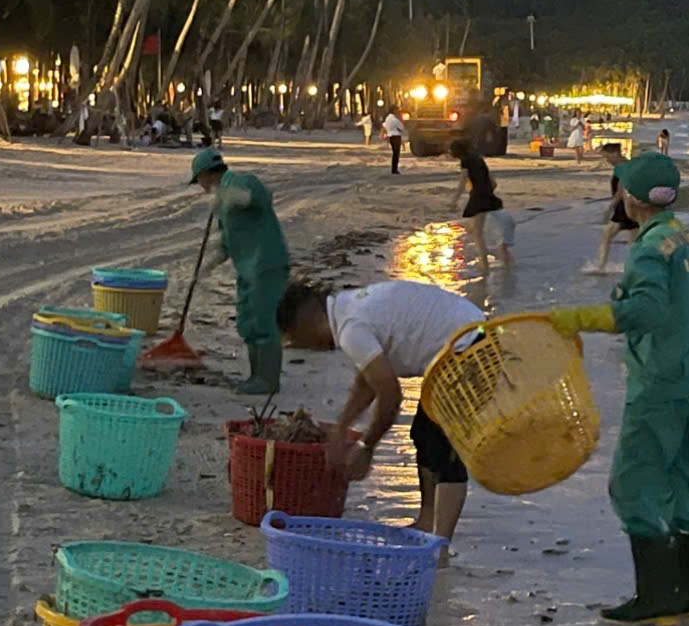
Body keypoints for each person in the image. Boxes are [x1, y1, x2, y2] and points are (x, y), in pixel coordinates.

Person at [549, 152, 689, 626]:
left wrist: (578, 319)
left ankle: (658, 597)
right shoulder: (688, 241)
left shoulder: (649, 249)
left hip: (662, 385)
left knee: (632, 483)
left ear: (633, 198)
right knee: (683, 481)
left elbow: (645, 312)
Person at [276, 280, 483, 554]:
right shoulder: (348, 307)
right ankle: (427, 522)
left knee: (444, 446)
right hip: (471, 334)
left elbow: (390, 394)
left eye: (298, 340)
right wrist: (342, 427)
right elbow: (368, 380)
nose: (307, 347)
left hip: (471, 347)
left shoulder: (351, 329)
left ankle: (439, 547)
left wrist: (366, 447)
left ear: (305, 325)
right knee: (423, 433)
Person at [190, 146, 290, 395]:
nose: (200, 187)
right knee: (247, 320)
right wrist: (205, 268)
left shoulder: (241, 182)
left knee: (263, 320)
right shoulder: (221, 202)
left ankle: (268, 380)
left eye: (199, 180)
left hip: (266, 263)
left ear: (206, 174)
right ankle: (255, 375)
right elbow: (227, 242)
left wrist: (230, 195)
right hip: (246, 268)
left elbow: (259, 197)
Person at [450, 137, 505, 273]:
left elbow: (462, 182)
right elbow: (493, 182)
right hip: (486, 195)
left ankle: (484, 265)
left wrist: (454, 200)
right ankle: (498, 257)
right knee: (474, 228)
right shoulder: (478, 158)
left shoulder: (466, 161)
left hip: (478, 197)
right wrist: (487, 192)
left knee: (477, 233)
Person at [595, 142, 638, 272]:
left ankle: (601, 267)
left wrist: (610, 207)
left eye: (607, 157)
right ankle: (635, 268)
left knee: (606, 235)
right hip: (632, 207)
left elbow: (621, 189)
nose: (607, 160)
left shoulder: (621, 167)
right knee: (633, 242)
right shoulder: (628, 164)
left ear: (615, 153)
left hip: (624, 207)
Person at [382, 105, 406, 174]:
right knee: (396, 154)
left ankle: (394, 168)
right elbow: (401, 128)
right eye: (397, 110)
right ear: (394, 110)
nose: (398, 111)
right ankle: (395, 169)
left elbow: (385, 126)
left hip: (390, 136)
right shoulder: (395, 120)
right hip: (396, 136)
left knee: (394, 153)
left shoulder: (388, 118)